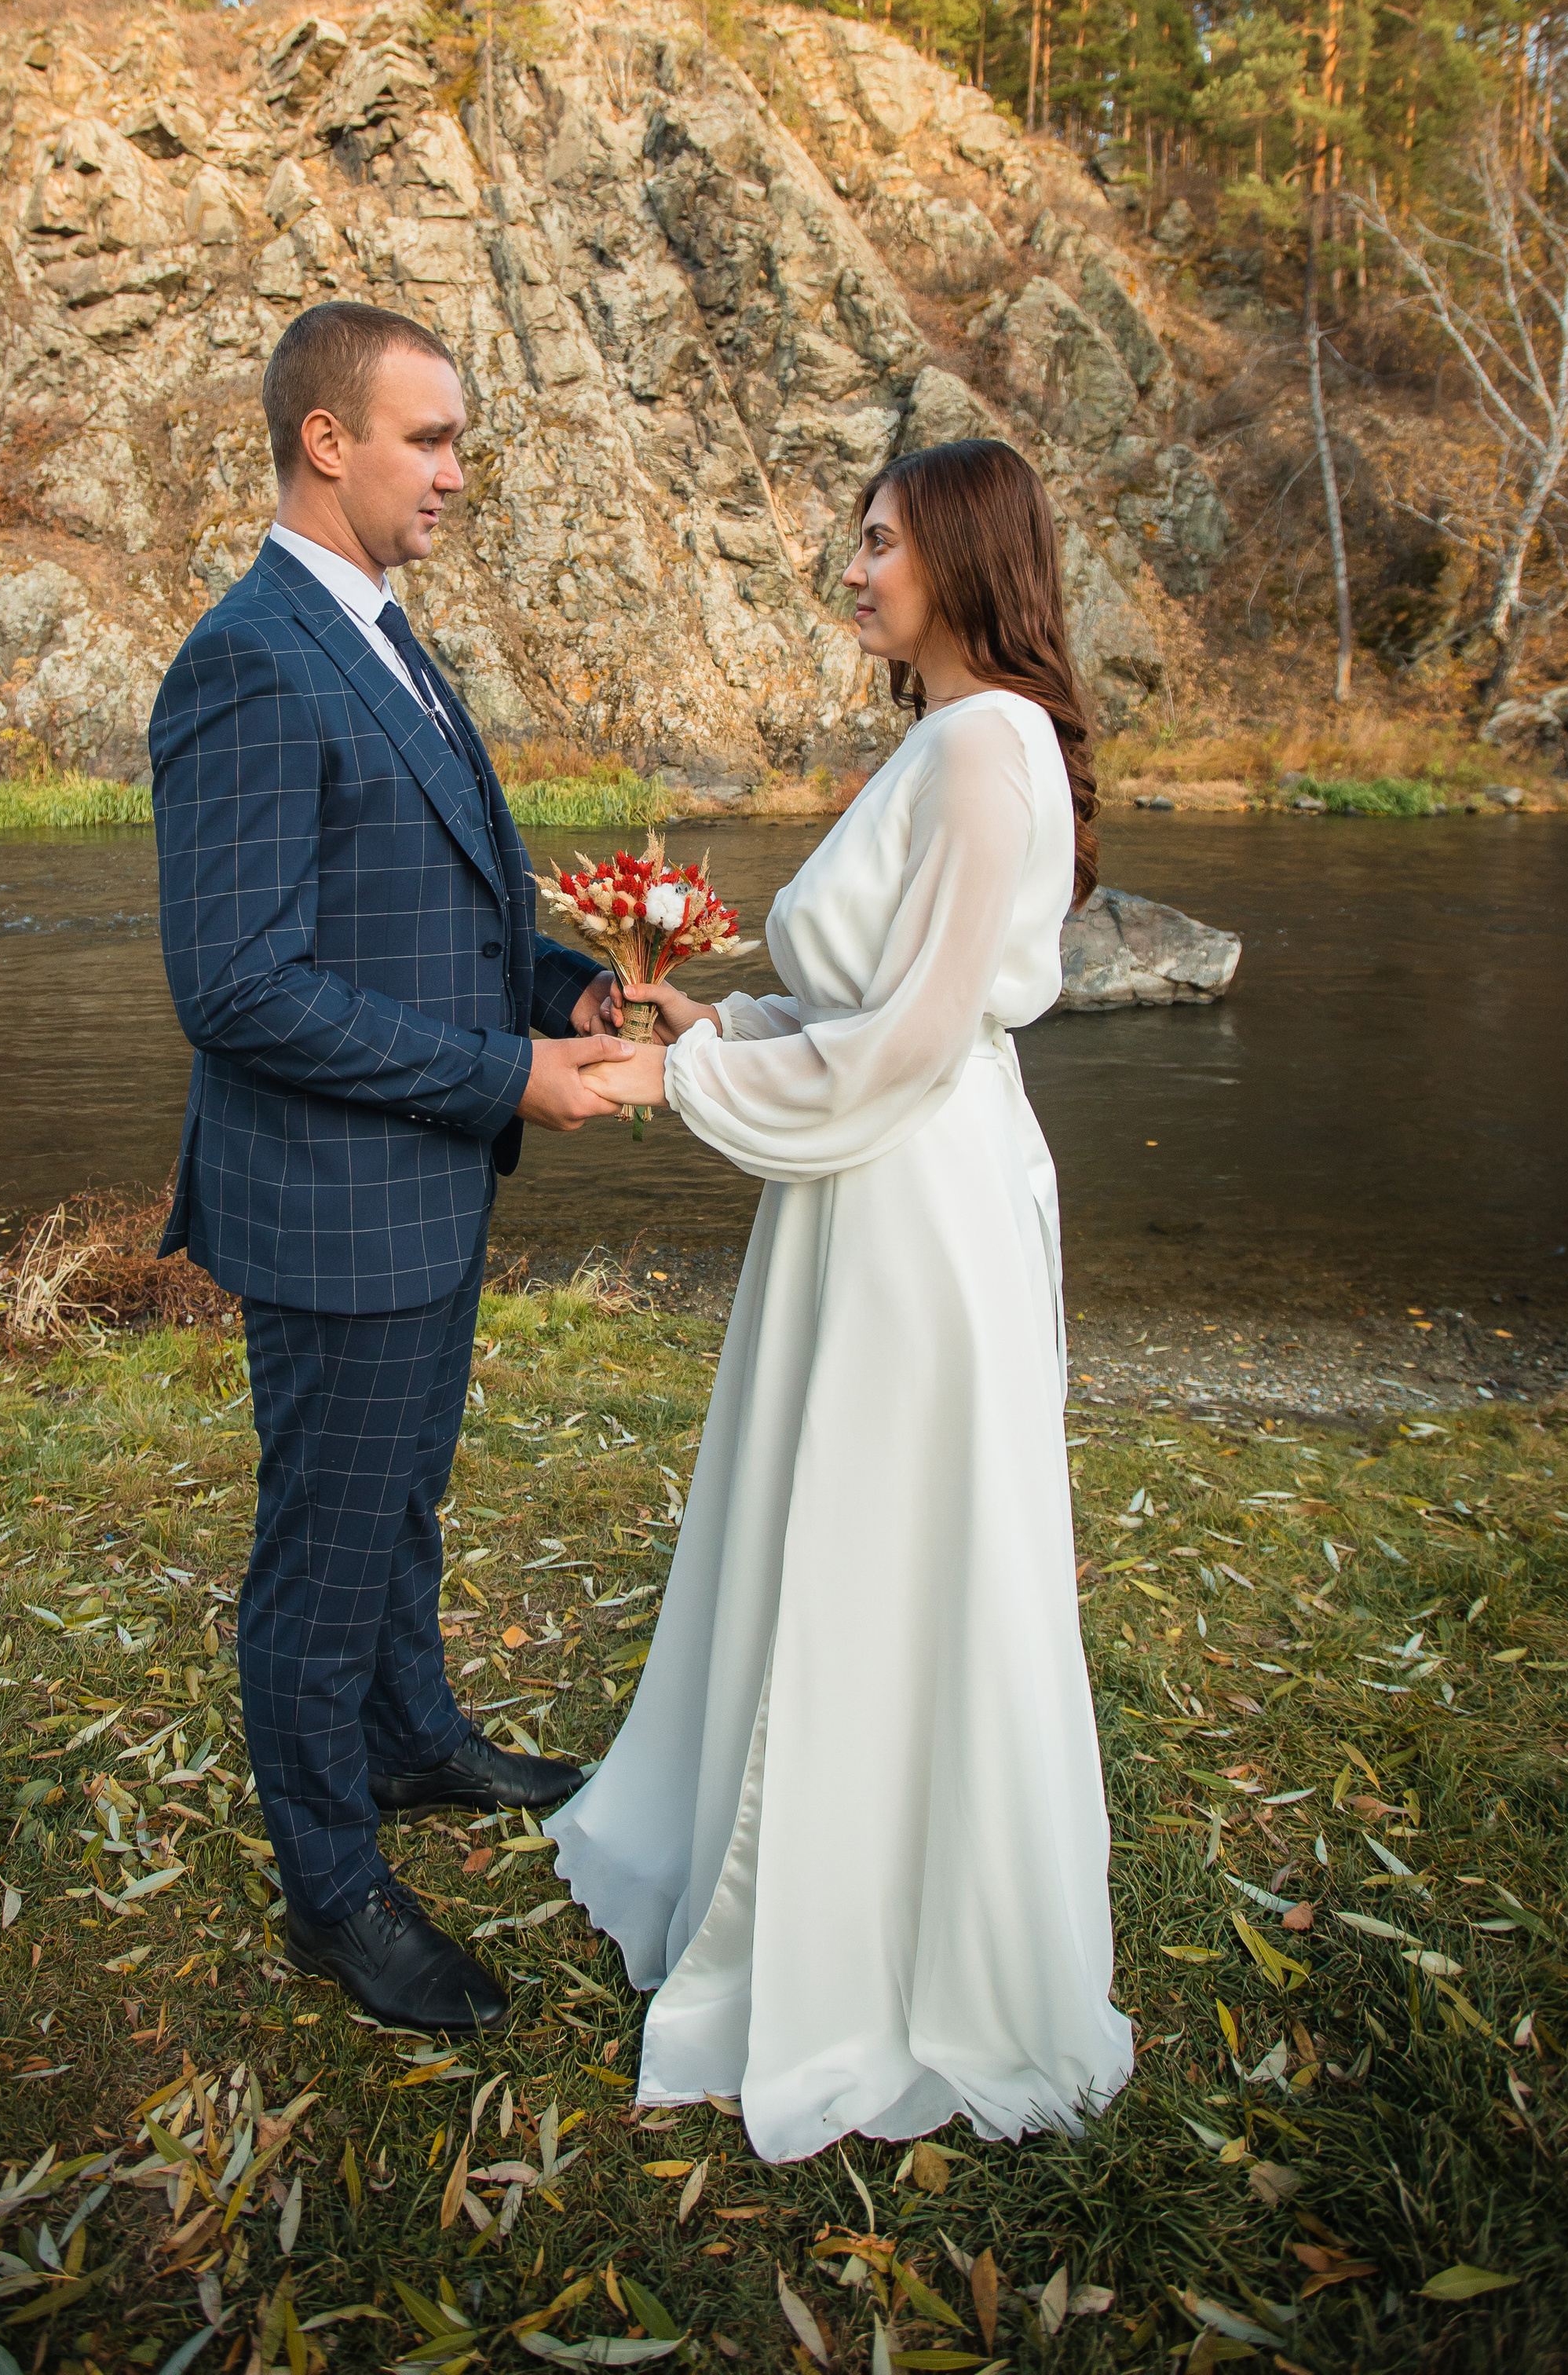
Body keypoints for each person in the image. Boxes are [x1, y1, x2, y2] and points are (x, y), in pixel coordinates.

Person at [549, 438, 1135, 2163]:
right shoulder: (946, 738)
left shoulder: (981, 743)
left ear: (958, 555)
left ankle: (882, 1944)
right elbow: (872, 1007)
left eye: (878, 542)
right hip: (872, 1172)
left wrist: (683, 1096)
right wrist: (715, 1030)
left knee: (886, 1545)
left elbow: (916, 1037)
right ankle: (799, 1865)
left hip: (910, 1194)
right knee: (834, 1524)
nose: (854, 569)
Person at [149, 299, 630, 2036]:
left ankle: (412, 1741)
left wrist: (562, 986)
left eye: (459, 442)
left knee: (402, 1501)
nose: (453, 471)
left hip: (426, 1189)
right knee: (322, 1551)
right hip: (337, 1204)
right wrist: (509, 1073)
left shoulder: (383, 634)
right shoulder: (249, 656)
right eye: (426, 438)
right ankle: (332, 1888)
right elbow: (238, 985)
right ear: (323, 439)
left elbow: (434, 911)